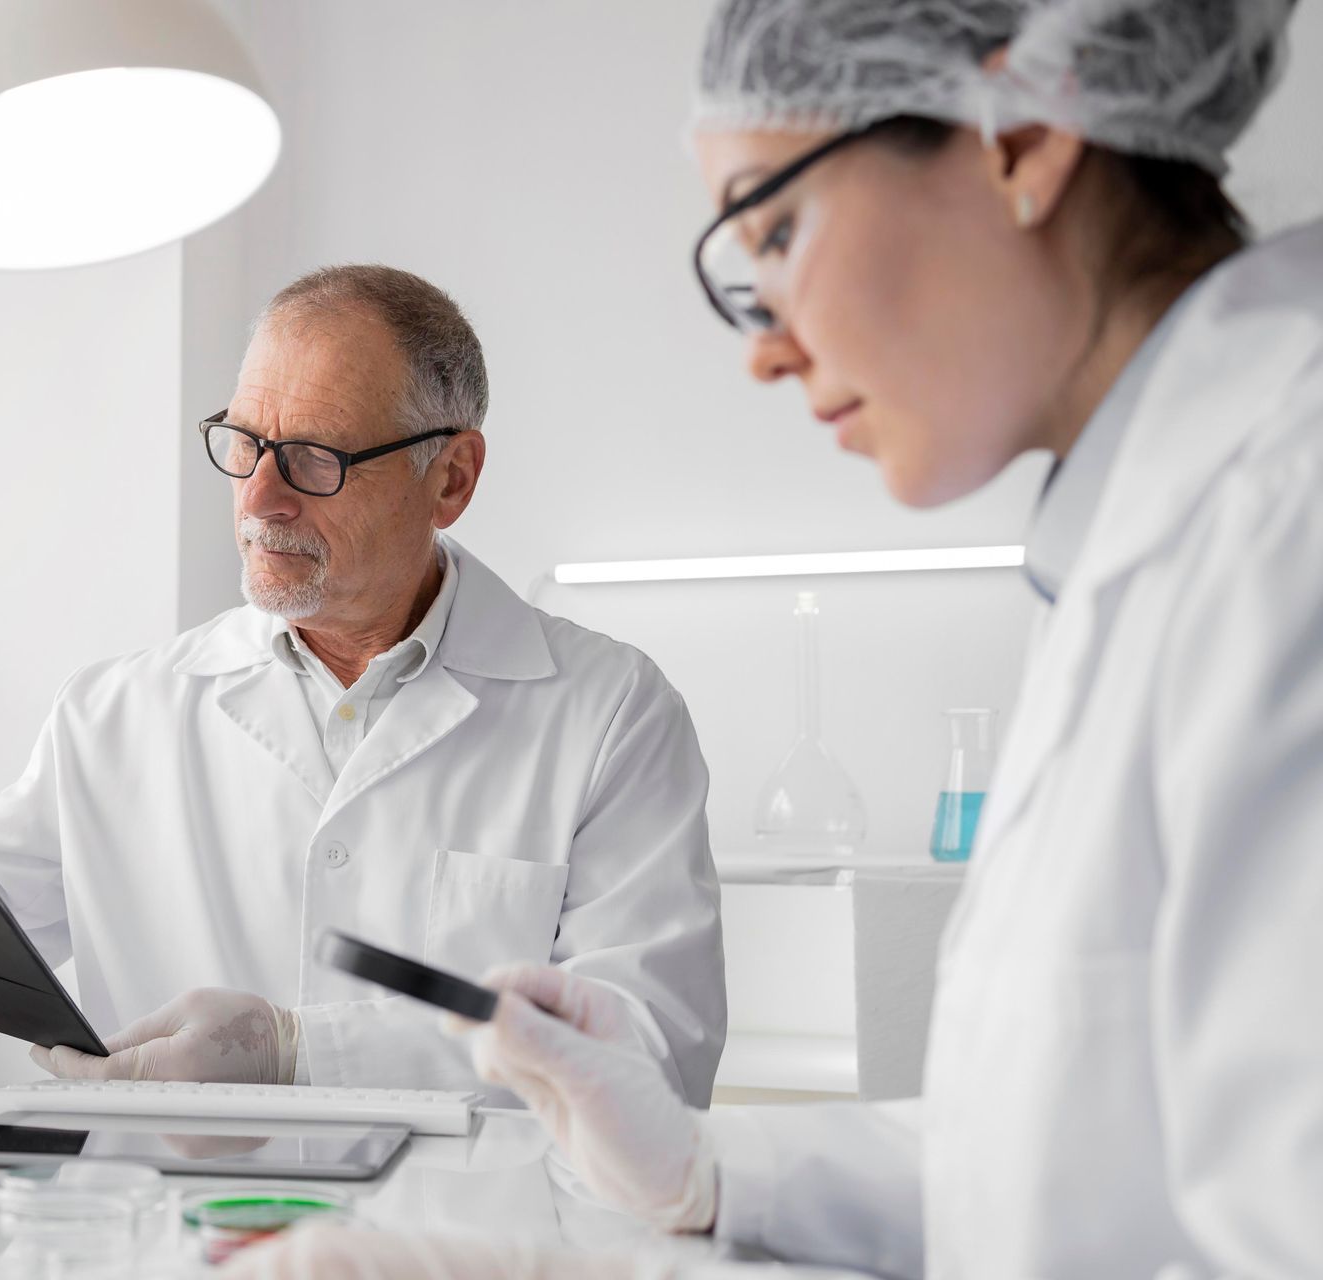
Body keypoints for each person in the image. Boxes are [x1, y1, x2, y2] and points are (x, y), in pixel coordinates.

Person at [227, 1, 1322, 1276]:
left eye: (781, 228)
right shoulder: (1165, 533)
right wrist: (704, 1172)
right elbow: (1053, 1170)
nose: (765, 350)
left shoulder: (1283, 518)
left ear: (1021, 136)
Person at [0, 264, 726, 1099]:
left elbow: (653, 1046)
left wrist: (301, 1052)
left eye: (316, 459)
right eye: (244, 442)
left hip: (465, 1249)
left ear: (453, 475)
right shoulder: (118, 717)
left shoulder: (606, 712)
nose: (260, 499)